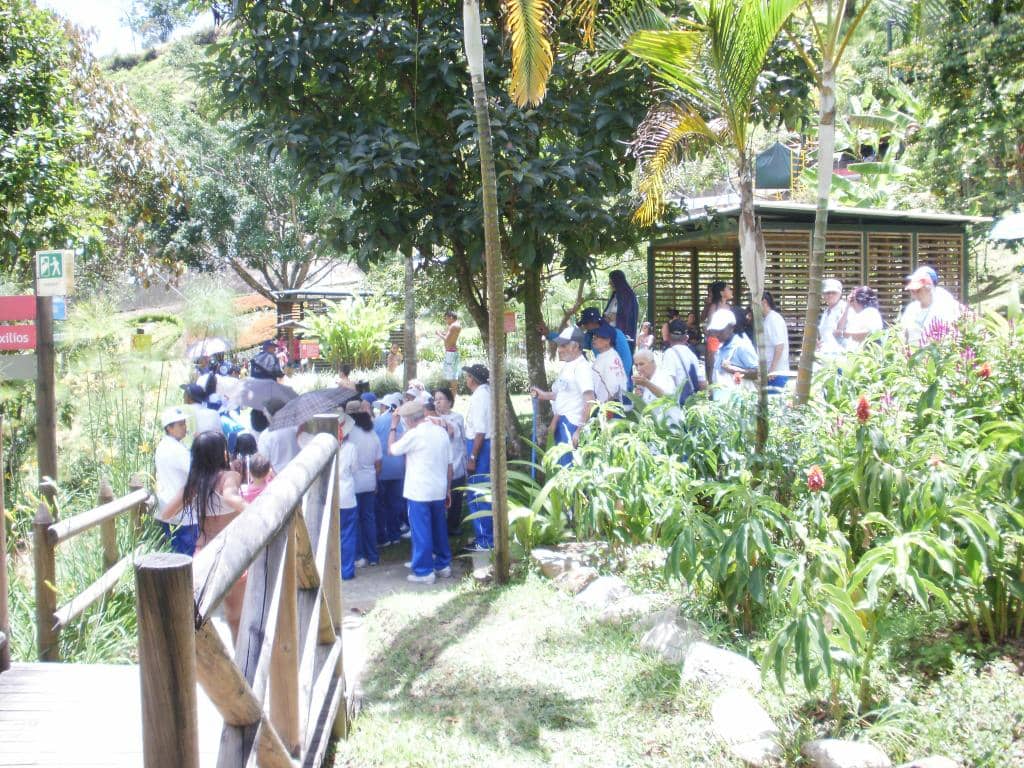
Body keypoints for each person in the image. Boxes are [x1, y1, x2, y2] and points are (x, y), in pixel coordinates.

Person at [159, 431, 247, 641]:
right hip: (232, 552)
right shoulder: (229, 477)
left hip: (204, 554)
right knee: (235, 617)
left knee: (196, 618)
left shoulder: (194, 484)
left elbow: (166, 513)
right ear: (221, 453)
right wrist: (255, 509)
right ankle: (242, 667)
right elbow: (230, 496)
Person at [388, 400, 454, 584]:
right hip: (438, 488)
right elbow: (450, 465)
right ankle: (443, 564)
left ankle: (424, 571)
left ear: (408, 420)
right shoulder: (441, 432)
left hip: (419, 491)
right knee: (439, 528)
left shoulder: (414, 435)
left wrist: (393, 428)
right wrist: (448, 488)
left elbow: (392, 450)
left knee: (421, 531)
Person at [530, 327, 596, 466]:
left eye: (563, 345)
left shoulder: (582, 368)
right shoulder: (569, 366)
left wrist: (579, 430)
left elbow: (590, 400)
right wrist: (544, 396)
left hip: (572, 424)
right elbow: (564, 395)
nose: (559, 349)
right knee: (562, 469)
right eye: (559, 345)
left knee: (569, 471)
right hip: (563, 422)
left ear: (576, 346)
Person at [154, 407, 197, 555]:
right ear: (169, 428)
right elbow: (196, 472)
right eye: (180, 424)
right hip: (183, 513)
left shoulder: (163, 446)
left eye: (184, 423)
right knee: (185, 558)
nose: (185, 427)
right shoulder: (177, 450)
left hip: (168, 508)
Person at [345, 400, 382, 569]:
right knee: (369, 519)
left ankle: (359, 556)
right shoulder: (372, 433)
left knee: (356, 521)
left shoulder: (350, 433)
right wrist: (375, 479)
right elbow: (378, 461)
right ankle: (373, 555)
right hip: (370, 481)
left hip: (354, 482)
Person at [462, 364, 493, 551]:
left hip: (480, 447)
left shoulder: (480, 396)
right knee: (481, 491)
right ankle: (485, 535)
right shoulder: (486, 393)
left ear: (473, 379)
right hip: (482, 446)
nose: (466, 380)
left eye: (467, 376)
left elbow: (480, 430)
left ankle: (485, 539)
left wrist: (473, 456)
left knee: (477, 493)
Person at [432, 387, 468, 536]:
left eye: (440, 399)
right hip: (441, 465)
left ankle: (453, 525)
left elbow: (458, 436)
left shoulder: (457, 417)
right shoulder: (432, 419)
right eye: (435, 399)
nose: (437, 402)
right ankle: (441, 526)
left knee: (456, 497)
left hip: (457, 462)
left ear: (449, 401)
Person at [373, 393, 406, 547]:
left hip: (383, 469)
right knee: (395, 503)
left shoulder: (377, 421)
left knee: (381, 504)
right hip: (399, 468)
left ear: (385, 407)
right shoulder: (403, 422)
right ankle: (395, 534)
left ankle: (383, 537)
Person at [900, 266, 962, 346]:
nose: (914, 294)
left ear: (929, 287)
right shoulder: (911, 309)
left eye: (917, 290)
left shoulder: (945, 304)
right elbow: (902, 333)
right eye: (912, 291)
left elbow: (949, 334)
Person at [576, 307, 633, 389]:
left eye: (585, 324)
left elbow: (626, 360)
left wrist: (620, 383)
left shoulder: (616, 334)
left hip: (620, 383)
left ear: (593, 323)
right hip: (603, 383)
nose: (584, 327)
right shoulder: (591, 336)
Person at [708, 308, 758, 396]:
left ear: (731, 328)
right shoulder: (720, 347)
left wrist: (733, 369)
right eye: (716, 331)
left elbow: (758, 373)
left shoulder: (741, 345)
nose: (717, 334)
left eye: (721, 331)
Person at [335, 411, 361, 581]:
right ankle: (347, 570)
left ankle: (333, 569)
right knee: (348, 534)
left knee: (333, 535)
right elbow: (354, 469)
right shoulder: (351, 448)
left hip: (331, 496)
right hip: (347, 495)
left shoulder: (324, 448)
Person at [657, 319, 706, 404]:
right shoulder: (692, 354)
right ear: (686, 337)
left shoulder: (669, 354)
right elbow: (702, 383)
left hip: (677, 404)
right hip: (691, 404)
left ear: (668, 336)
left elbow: (668, 384)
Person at [591, 322, 628, 407]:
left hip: (608, 407)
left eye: (597, 337)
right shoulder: (610, 354)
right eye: (594, 337)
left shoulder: (608, 358)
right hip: (610, 405)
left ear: (607, 341)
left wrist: (604, 408)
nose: (593, 339)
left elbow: (614, 389)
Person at [759, 291, 790, 387]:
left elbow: (779, 346)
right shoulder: (767, 319)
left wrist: (773, 369)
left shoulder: (774, 319)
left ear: (764, 302)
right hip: (770, 373)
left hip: (776, 374)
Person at [838, 286, 884, 351]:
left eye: (853, 299)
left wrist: (844, 334)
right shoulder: (856, 314)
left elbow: (869, 335)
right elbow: (839, 328)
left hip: (866, 357)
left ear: (860, 299)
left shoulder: (871, 312)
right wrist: (847, 306)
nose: (851, 302)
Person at [605, 270, 639, 349]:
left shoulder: (628, 296)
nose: (609, 283)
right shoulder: (616, 296)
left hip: (621, 337)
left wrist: (614, 317)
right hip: (609, 335)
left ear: (617, 281)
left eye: (611, 281)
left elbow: (626, 316)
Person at [817, 278, 847, 357]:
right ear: (823, 295)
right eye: (827, 292)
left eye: (834, 292)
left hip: (840, 356)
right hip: (825, 355)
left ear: (840, 294)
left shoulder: (844, 309)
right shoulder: (826, 311)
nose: (830, 295)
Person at [437, 310, 462, 392]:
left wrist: (438, 334)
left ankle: (453, 396)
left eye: (446, 318)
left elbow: (447, 340)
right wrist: (443, 333)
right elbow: (450, 337)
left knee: (453, 377)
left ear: (451, 317)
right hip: (452, 352)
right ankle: (452, 395)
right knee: (452, 376)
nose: (445, 320)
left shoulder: (453, 326)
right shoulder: (456, 325)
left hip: (451, 353)